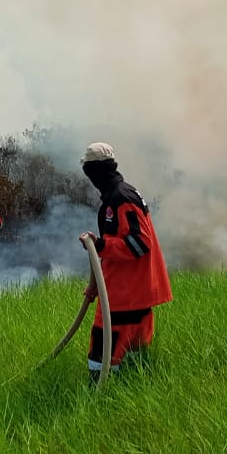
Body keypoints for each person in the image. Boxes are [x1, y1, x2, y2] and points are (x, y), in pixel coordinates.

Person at [78, 142, 173, 382]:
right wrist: (95, 286)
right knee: (134, 361)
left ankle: (97, 400)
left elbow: (140, 243)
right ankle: (127, 394)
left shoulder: (121, 198)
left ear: (94, 171)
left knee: (102, 357)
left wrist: (100, 245)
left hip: (125, 297)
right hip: (130, 292)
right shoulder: (118, 195)